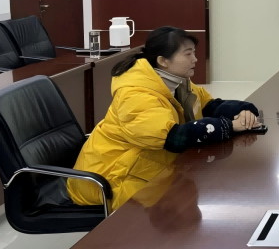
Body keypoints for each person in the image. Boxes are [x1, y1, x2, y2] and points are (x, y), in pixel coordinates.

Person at [67, 26, 260, 210]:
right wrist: (228, 126)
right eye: (188, 54)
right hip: (109, 181)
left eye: (194, 53)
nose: (195, 59)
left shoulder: (177, 83)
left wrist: (243, 110)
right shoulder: (136, 94)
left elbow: (209, 105)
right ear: (163, 61)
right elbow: (173, 138)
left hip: (146, 170)